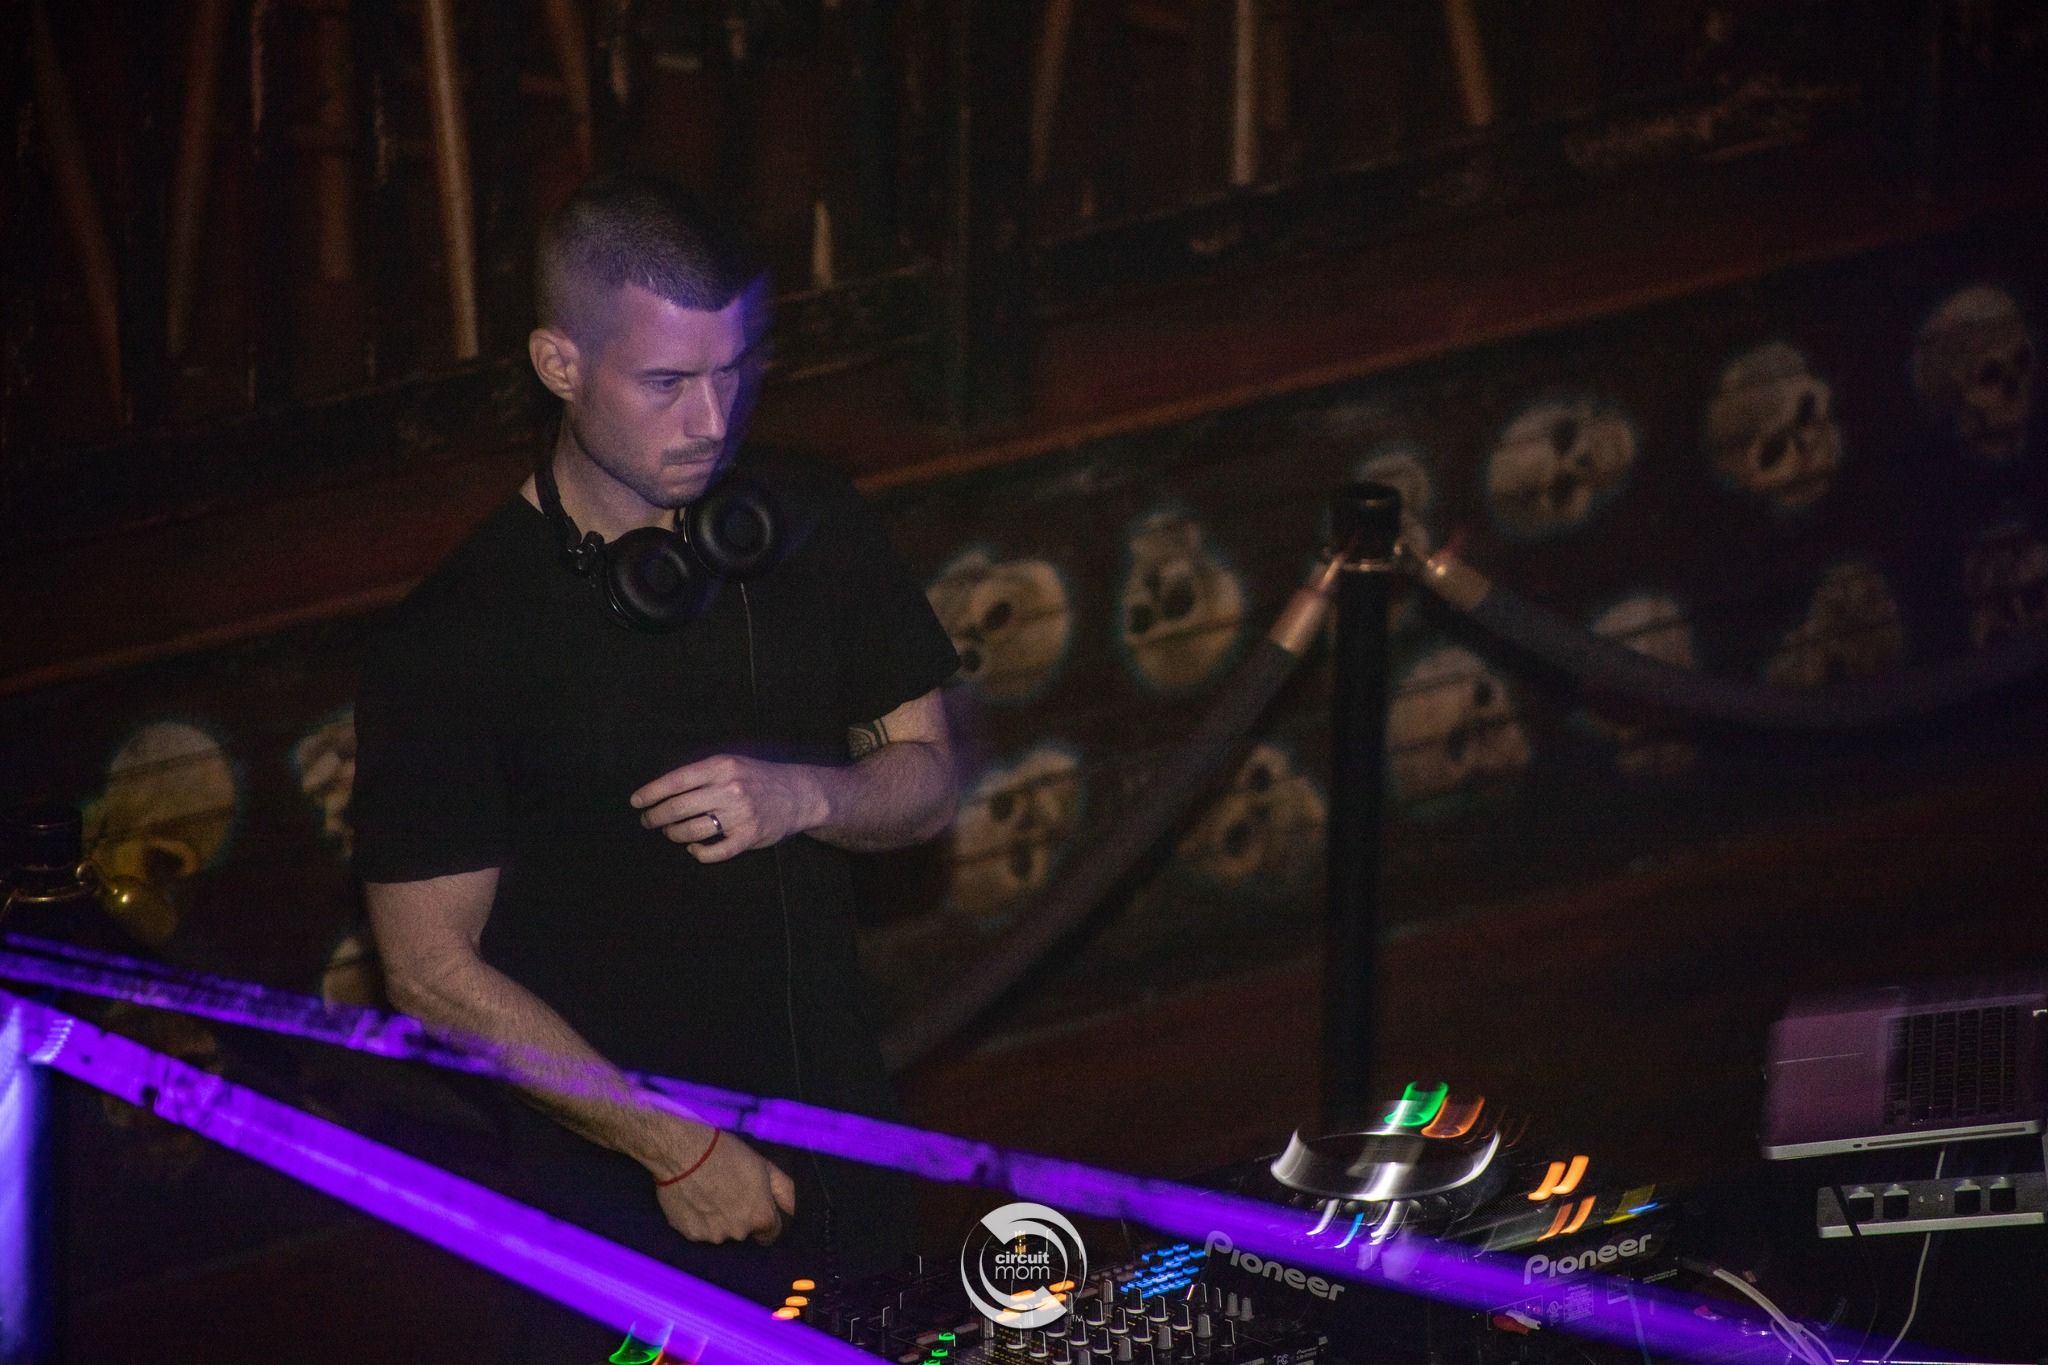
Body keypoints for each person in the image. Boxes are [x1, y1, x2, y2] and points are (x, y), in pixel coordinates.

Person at [349, 174, 960, 1356]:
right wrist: (669, 1147)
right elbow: (426, 970)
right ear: (559, 363)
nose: (712, 421)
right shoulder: (455, 639)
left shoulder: (807, 518)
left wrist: (812, 794)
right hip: (613, 1210)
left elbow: (926, 774)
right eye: (667, 382)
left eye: (735, 372)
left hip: (847, 1162)